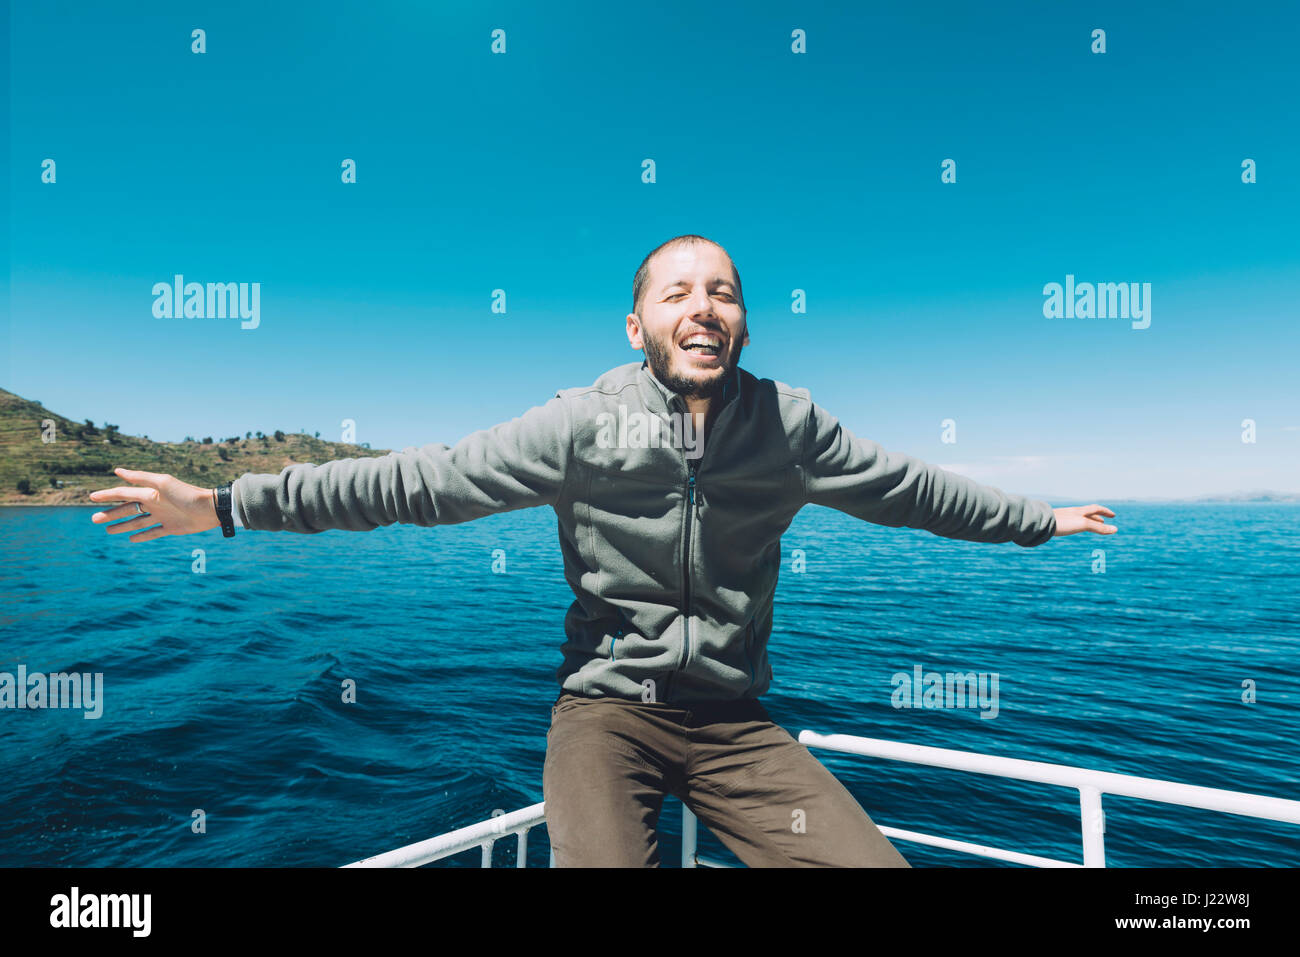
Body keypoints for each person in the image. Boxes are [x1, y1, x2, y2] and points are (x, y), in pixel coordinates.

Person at [89, 233, 1118, 867]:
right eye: (676, 293)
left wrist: (1038, 522)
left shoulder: (791, 428)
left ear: (745, 324)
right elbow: (415, 481)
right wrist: (227, 507)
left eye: (720, 292)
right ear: (639, 327)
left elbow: (911, 490)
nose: (701, 307)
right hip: (604, 717)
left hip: (738, 726)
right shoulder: (580, 425)